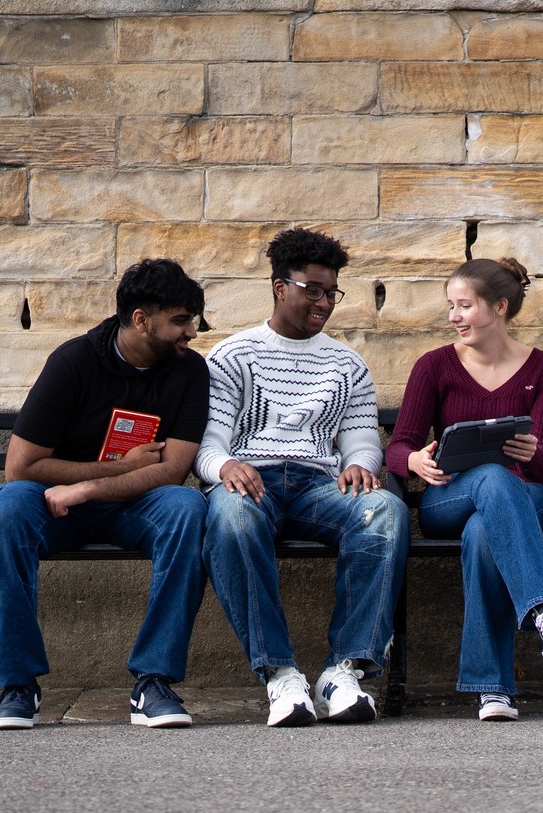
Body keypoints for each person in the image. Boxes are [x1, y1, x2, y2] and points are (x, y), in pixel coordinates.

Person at [0, 259, 211, 731]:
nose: (193, 333)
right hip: (54, 505)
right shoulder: (74, 361)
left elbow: (175, 471)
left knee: (189, 508)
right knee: (5, 510)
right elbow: (20, 468)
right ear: (142, 320)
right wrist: (114, 470)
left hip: (135, 505)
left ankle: (153, 681)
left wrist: (91, 487)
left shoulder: (190, 371)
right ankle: (18, 684)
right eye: (181, 321)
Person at [196, 227, 409, 728]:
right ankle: (280, 675)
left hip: (319, 487)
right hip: (252, 481)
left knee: (384, 510)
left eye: (331, 292)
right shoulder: (233, 356)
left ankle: (343, 671)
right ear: (279, 287)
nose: (324, 302)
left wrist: (361, 463)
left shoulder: (347, 364)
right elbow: (209, 445)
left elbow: (361, 440)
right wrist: (225, 465)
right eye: (312, 289)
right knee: (230, 517)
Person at [386, 257, 543, 722]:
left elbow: (541, 463)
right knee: (490, 481)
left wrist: (528, 448)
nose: (454, 316)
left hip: (527, 500)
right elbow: (399, 447)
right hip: (447, 498)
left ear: (498, 307)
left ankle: (492, 689)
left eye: (464, 306)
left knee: (483, 533)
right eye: (450, 306)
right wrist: (414, 460)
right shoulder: (434, 366)